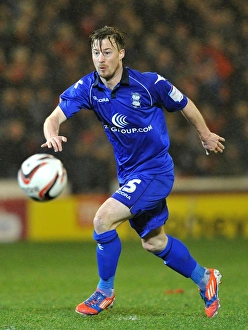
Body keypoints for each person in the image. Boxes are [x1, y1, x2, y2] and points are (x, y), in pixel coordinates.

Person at [41, 26, 225, 318]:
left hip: (154, 171)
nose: (100, 59)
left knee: (102, 220)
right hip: (130, 174)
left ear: (121, 53)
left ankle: (104, 291)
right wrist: (51, 132)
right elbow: (55, 116)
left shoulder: (149, 84)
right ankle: (206, 278)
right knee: (154, 242)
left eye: (107, 52)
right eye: (95, 52)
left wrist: (205, 134)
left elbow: (185, 103)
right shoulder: (89, 87)